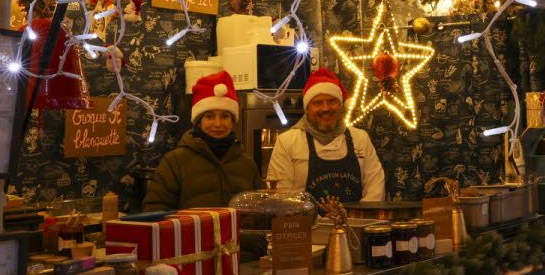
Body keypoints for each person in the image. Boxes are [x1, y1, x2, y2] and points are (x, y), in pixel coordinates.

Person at [144, 71, 262, 211]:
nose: (218, 124)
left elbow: (260, 212)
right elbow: (155, 210)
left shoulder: (247, 165)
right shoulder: (174, 162)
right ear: (199, 121)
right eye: (210, 116)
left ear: (232, 121)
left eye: (225, 116)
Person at [267, 68, 385, 202]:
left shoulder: (360, 138)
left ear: (341, 105)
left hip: (355, 222)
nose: (326, 108)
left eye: (332, 101)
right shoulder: (287, 141)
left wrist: (354, 221)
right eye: (318, 103)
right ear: (307, 109)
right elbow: (281, 196)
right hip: (306, 222)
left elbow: (375, 188)